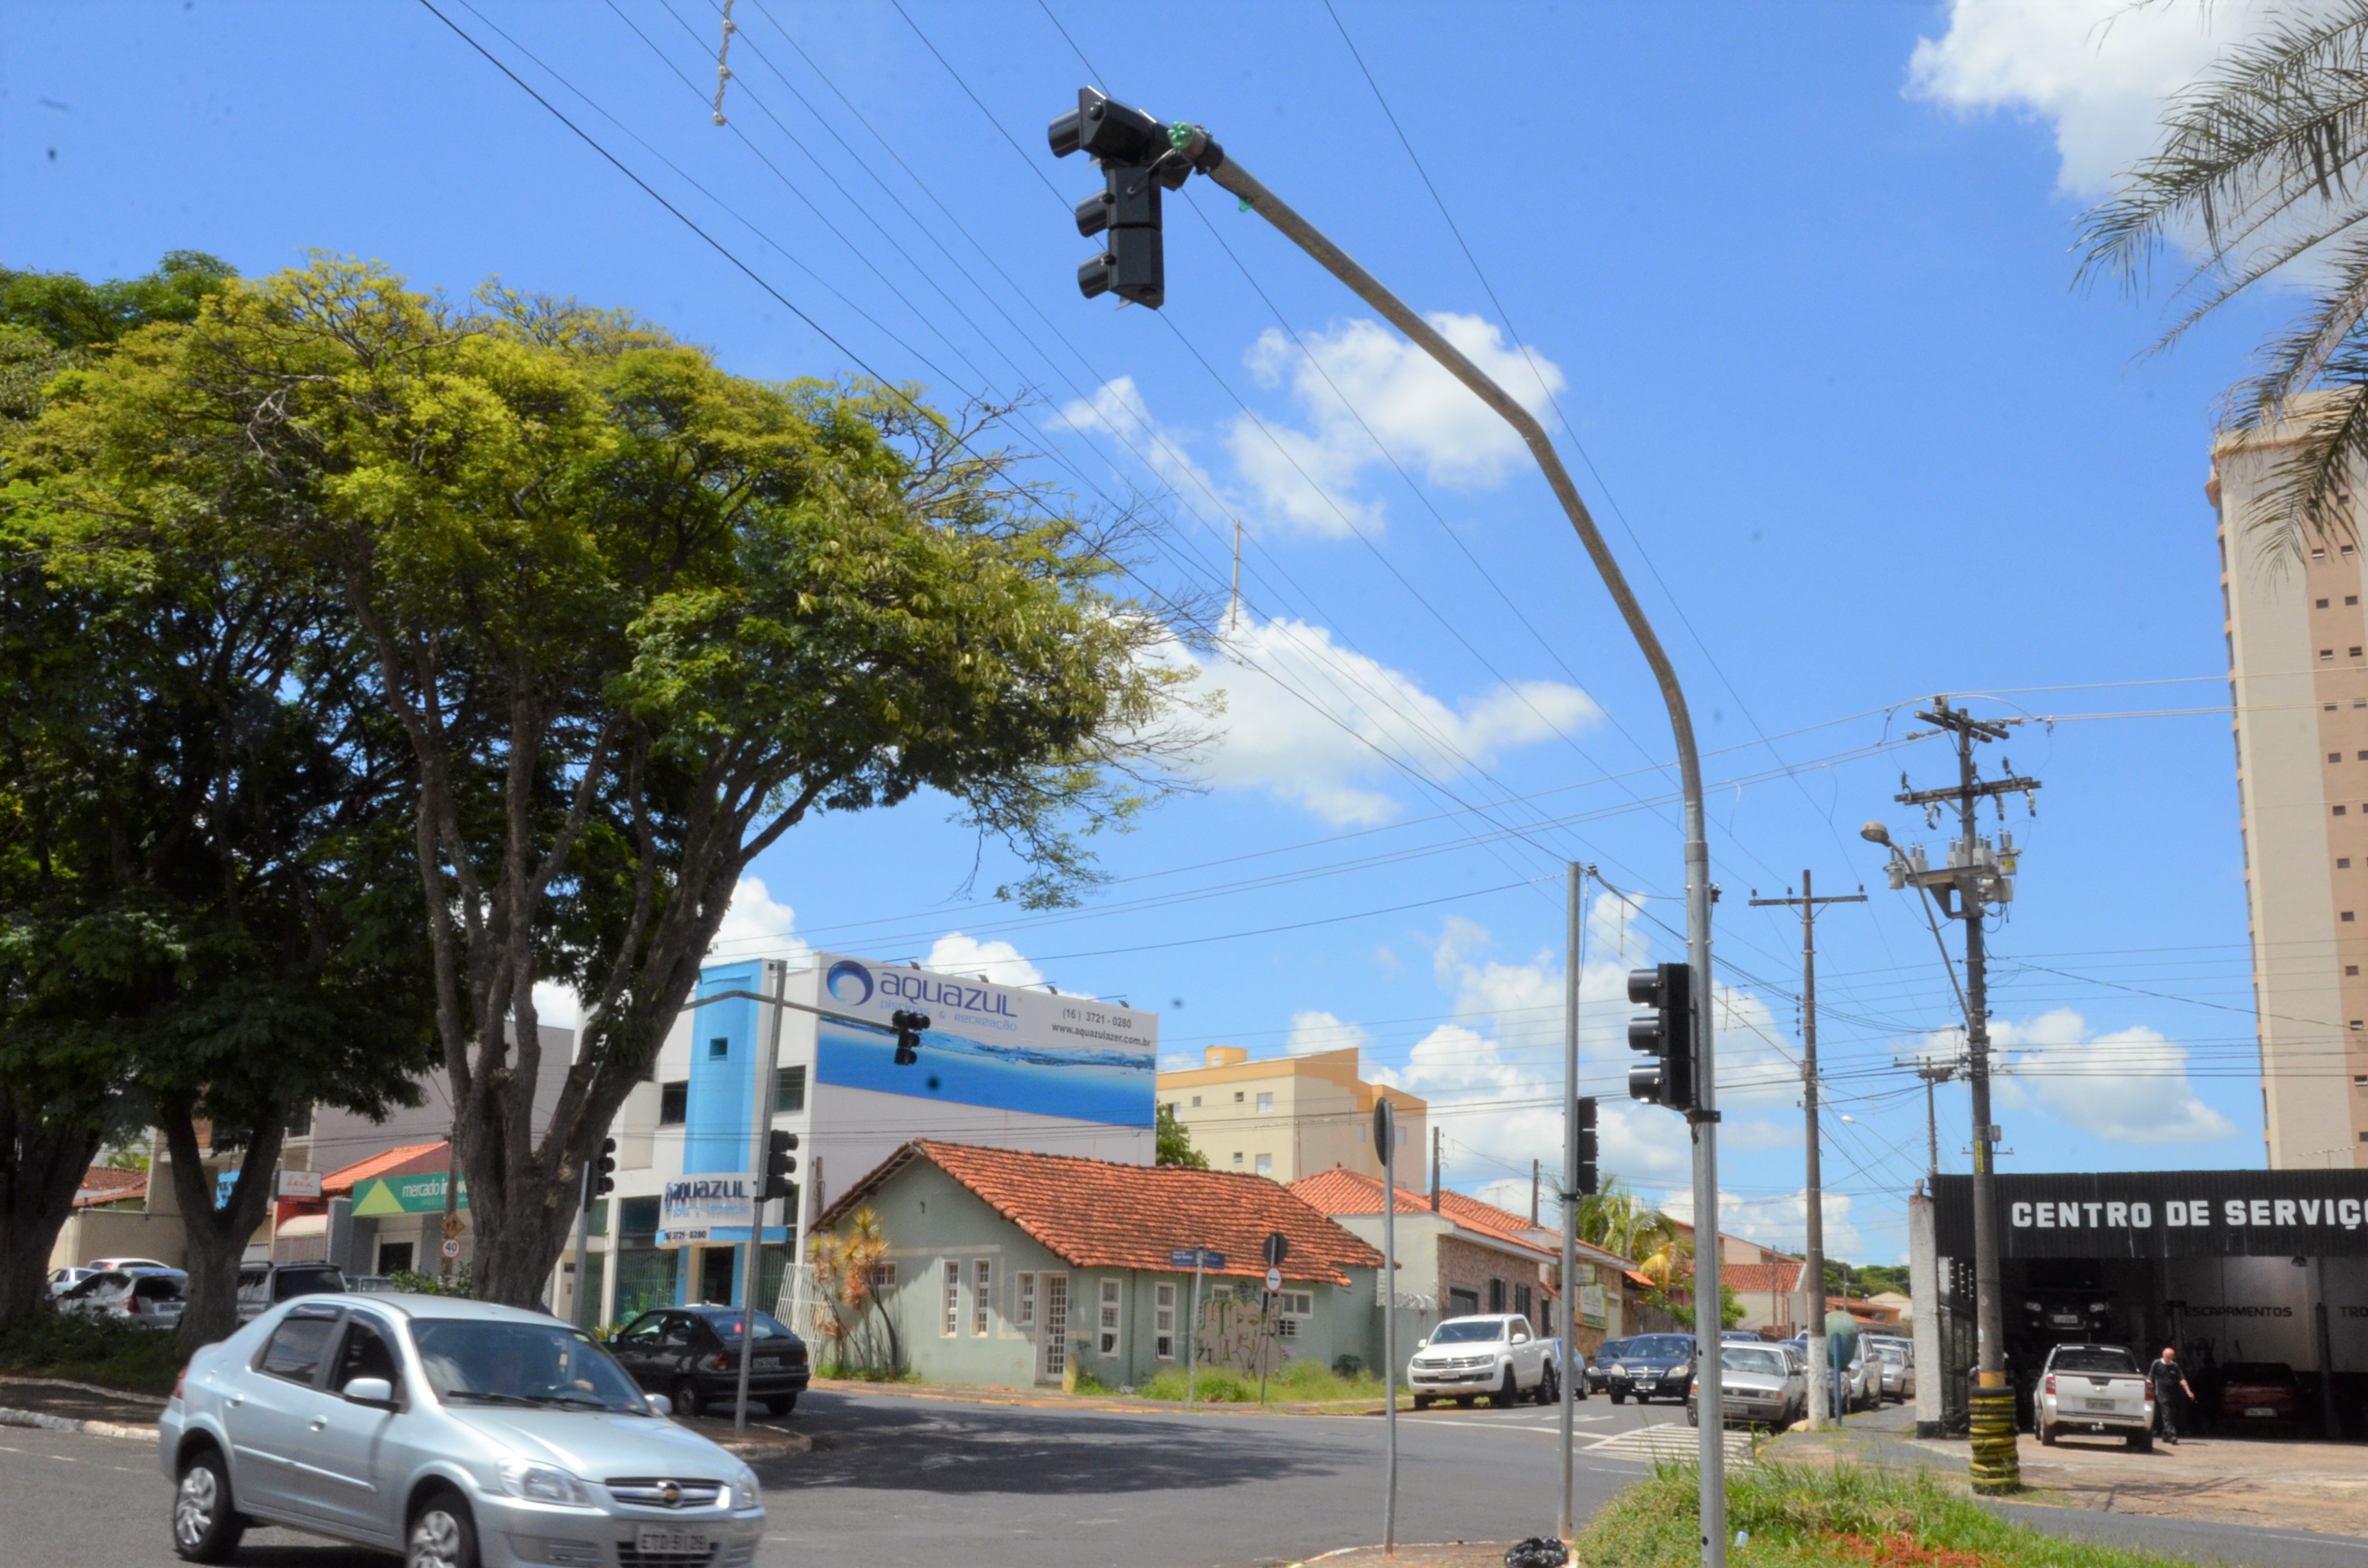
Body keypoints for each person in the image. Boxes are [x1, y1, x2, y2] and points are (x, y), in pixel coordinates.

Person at [2148, 1345, 2195, 1446]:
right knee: (2167, 1414)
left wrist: (2188, 1390)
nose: (2170, 1360)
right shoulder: (2157, 1364)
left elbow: (2182, 1379)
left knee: (2172, 1415)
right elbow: (2151, 1377)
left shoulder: (2175, 1366)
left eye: (2172, 1357)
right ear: (2164, 1356)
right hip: (2161, 1393)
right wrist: (2149, 1389)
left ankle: (2166, 1436)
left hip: (2173, 1394)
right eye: (2169, 1357)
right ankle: (2173, 1436)